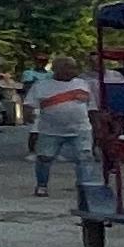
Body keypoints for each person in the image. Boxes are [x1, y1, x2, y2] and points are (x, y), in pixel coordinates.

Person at [18, 54, 97, 196]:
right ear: (57, 69)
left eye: (74, 67)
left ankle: (85, 186)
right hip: (50, 130)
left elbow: (91, 106)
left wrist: (96, 123)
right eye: (69, 67)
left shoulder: (82, 84)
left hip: (80, 129)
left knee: (84, 157)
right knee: (44, 158)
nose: (73, 70)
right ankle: (42, 185)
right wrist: (29, 116)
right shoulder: (41, 86)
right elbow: (29, 104)